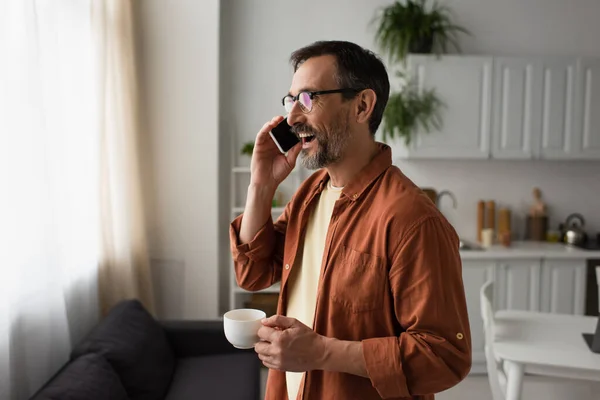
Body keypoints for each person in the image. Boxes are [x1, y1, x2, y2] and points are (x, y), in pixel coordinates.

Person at [229, 40, 471, 400]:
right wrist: (261, 186)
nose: (293, 117)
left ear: (361, 106)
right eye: (291, 100)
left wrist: (322, 352)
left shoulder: (413, 220)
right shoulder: (312, 193)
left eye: (309, 99)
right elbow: (253, 272)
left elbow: (445, 357)